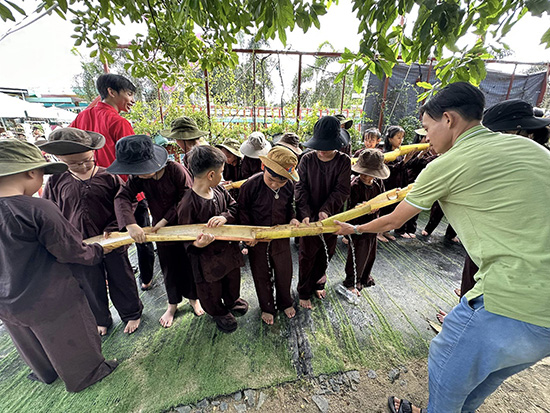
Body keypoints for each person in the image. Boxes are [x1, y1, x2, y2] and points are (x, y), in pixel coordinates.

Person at [335, 82, 550, 413]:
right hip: (543, 327)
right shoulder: (534, 151)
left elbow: (393, 220)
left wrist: (356, 227)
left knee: (447, 367)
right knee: (486, 376)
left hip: (509, 301)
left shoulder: (449, 163)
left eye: (426, 128)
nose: (426, 138)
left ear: (448, 119)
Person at [0, 139, 118, 392]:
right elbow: (70, 250)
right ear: (31, 172)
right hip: (48, 293)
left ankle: (45, 372)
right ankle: (87, 374)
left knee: (26, 338)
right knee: (71, 332)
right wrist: (97, 251)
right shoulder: (37, 208)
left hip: (6, 298)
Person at [40, 128, 143, 335]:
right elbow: (50, 212)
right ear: (60, 159)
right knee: (89, 282)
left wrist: (114, 227)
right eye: (75, 163)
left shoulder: (109, 176)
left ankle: (132, 313)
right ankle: (101, 318)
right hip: (80, 243)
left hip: (111, 239)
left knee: (121, 276)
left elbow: (127, 203)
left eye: (88, 159)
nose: (84, 165)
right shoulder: (56, 181)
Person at [70, 73, 155, 291]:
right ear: (111, 92)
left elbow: (64, 139)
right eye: (128, 94)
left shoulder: (82, 117)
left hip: (94, 191)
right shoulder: (118, 121)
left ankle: (108, 280)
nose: (131, 100)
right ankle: (145, 279)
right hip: (126, 190)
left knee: (106, 238)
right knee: (142, 234)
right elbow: (136, 164)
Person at [110, 135, 203, 328]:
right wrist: (131, 224)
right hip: (160, 232)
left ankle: (194, 299)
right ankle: (172, 304)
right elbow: (122, 197)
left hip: (184, 224)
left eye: (141, 170)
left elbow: (186, 198)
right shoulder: (138, 178)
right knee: (168, 266)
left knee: (189, 263)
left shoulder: (175, 170)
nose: (138, 175)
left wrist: (164, 219)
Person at [177, 145, 248, 333]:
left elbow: (234, 207)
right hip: (206, 260)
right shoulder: (187, 204)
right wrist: (196, 244)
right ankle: (218, 312)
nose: (222, 177)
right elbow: (182, 236)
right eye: (221, 173)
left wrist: (225, 216)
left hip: (228, 252)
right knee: (211, 290)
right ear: (211, 175)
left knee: (232, 280)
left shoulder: (219, 192)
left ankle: (232, 300)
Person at [238, 146, 300, 325]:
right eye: (272, 180)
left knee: (284, 271)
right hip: (257, 240)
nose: (275, 185)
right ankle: (267, 307)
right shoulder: (250, 185)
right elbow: (242, 211)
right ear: (263, 167)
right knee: (261, 274)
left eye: (280, 182)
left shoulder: (288, 185)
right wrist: (247, 235)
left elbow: (290, 207)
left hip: (281, 237)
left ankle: (285, 302)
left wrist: (293, 219)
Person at [295, 116, 351, 309]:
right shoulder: (307, 159)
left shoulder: (344, 161)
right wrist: (306, 214)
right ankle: (303, 292)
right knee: (307, 255)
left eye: (327, 147)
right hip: (308, 218)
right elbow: (300, 188)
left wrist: (326, 210)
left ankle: (319, 283)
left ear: (337, 144)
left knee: (327, 252)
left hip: (332, 217)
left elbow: (342, 190)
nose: (322, 150)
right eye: (319, 146)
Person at [343, 149, 389, 294]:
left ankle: (364, 277)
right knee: (358, 254)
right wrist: (360, 208)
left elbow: (383, 199)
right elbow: (349, 208)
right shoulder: (355, 185)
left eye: (371, 174)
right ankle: (351, 280)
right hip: (358, 226)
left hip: (373, 225)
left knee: (370, 254)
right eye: (364, 173)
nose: (367, 177)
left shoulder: (378, 184)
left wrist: (377, 207)